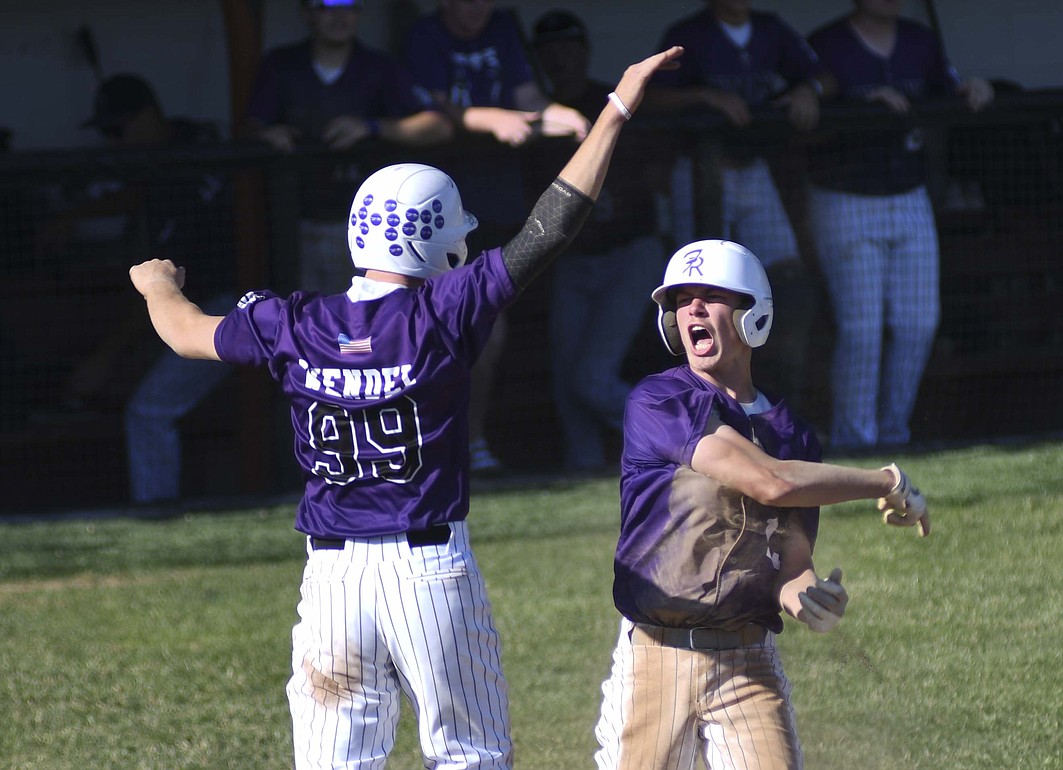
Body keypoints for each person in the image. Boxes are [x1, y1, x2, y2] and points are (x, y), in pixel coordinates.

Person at [129, 45, 684, 770]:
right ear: (437, 239)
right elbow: (551, 227)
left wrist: (155, 285)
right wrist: (615, 109)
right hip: (427, 572)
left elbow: (183, 332)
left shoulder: (293, 322)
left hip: (330, 581)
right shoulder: (442, 312)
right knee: (470, 755)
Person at [593, 239, 930, 769]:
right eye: (682, 300)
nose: (693, 310)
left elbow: (787, 565)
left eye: (711, 296)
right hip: (655, 658)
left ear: (754, 315)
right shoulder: (661, 400)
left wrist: (807, 599)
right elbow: (769, 482)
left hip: (748, 665)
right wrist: (884, 481)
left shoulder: (794, 436)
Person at [403, 0, 591, 474]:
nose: (475, 9)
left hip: (492, 214)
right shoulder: (424, 37)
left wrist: (561, 115)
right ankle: (433, 442)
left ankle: (470, 439)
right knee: (429, 332)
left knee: (486, 331)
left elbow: (528, 100)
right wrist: (491, 119)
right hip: (429, 219)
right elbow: (434, 106)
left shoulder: (502, 28)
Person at [806, 0, 994, 452]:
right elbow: (801, 104)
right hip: (845, 196)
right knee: (862, 329)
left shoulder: (919, 40)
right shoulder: (825, 44)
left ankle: (894, 435)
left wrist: (973, 89)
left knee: (918, 323)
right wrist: (856, 103)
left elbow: (946, 87)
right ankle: (857, 442)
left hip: (908, 193)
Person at [646, 0, 834, 415]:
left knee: (787, 279)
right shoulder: (690, 33)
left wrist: (808, 89)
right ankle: (699, 407)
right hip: (697, 173)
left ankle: (776, 400)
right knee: (691, 291)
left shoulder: (770, 29)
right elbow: (651, 96)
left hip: (754, 168)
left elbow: (825, 77)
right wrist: (706, 97)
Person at [60, 73, 236, 505]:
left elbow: (163, 287)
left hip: (233, 307)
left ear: (147, 117)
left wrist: (106, 356)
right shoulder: (180, 145)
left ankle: (157, 516)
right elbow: (141, 193)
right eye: (106, 133)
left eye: (117, 130)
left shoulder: (191, 159)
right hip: (213, 308)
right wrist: (71, 216)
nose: (113, 142)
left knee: (148, 410)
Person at [530, 10, 665, 472]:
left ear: (585, 50)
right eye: (550, 51)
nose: (561, 59)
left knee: (591, 379)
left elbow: (657, 175)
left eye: (569, 47)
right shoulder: (534, 115)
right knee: (570, 383)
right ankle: (584, 470)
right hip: (571, 259)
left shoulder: (612, 102)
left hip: (631, 254)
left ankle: (685, 436)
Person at [245, 0, 452, 294]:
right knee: (297, 322)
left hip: (364, 229)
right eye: (327, 6)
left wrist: (372, 127)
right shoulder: (280, 64)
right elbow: (249, 126)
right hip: (293, 226)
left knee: (357, 324)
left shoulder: (379, 66)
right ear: (307, 13)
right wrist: (267, 134)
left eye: (349, 5)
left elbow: (438, 126)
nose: (340, 15)